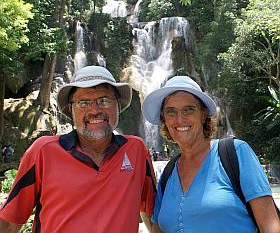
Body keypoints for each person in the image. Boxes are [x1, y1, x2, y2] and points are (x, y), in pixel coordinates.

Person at [0, 66, 157, 232]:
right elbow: (9, 223)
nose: (95, 110)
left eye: (104, 100)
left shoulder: (136, 150)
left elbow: (153, 216)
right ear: (71, 109)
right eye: (83, 103)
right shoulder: (43, 152)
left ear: (117, 105)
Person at [142, 75, 280, 233]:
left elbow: (271, 227)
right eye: (170, 111)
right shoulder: (168, 174)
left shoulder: (235, 152)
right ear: (164, 119)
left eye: (188, 109)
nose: (179, 119)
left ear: (203, 114)